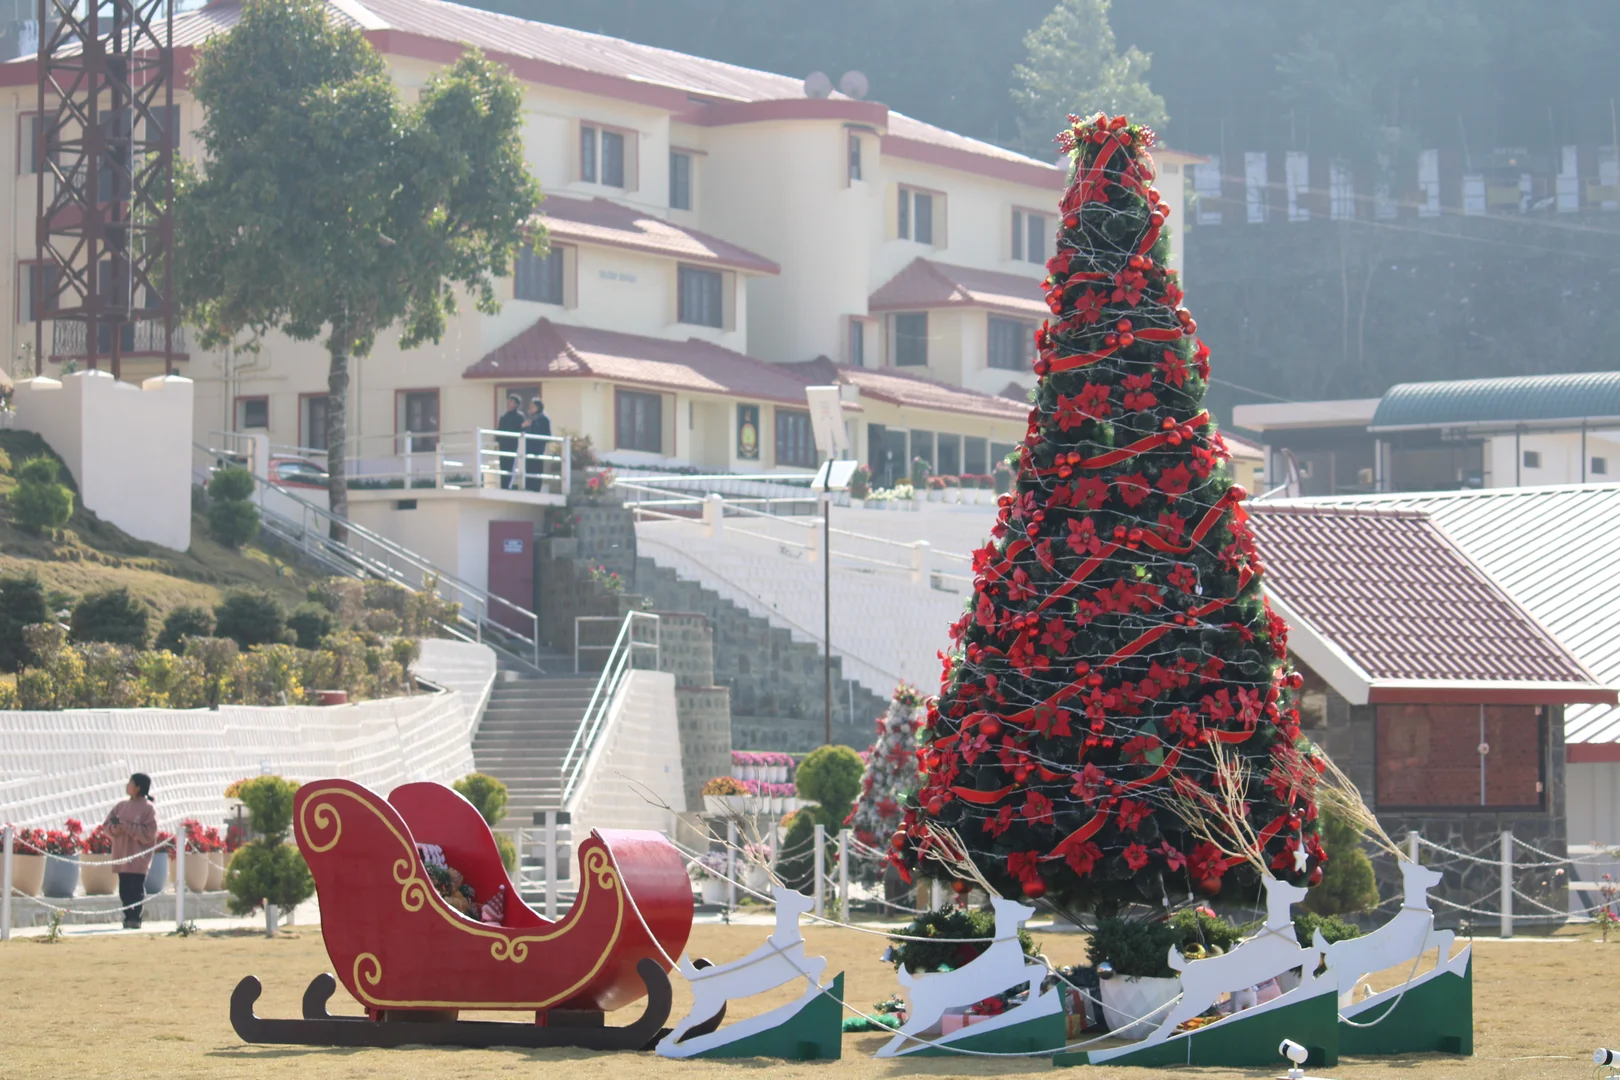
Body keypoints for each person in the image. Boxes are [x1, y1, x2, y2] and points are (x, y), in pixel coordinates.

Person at [105, 772, 158, 930]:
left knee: (136, 889)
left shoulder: (149, 809)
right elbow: (107, 825)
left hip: (138, 858)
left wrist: (128, 828)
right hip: (122, 855)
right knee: (124, 890)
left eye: (130, 783)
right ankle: (128, 916)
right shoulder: (121, 806)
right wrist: (115, 828)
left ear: (138, 787)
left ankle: (136, 917)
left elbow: (150, 834)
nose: (127, 785)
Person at [522, 397, 552, 493]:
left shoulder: (543, 418)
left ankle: (535, 488)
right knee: (528, 467)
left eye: (533, 406)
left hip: (537, 448)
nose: (531, 408)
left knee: (536, 467)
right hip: (528, 447)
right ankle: (528, 486)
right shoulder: (531, 418)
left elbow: (547, 434)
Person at [496, 393, 525, 489]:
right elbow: (499, 431)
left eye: (511, 401)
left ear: (516, 404)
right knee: (502, 466)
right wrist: (497, 441)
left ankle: (508, 486)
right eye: (509, 401)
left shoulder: (519, 417)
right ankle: (503, 486)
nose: (509, 403)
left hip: (513, 445)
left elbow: (521, 430)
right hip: (503, 445)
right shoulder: (504, 416)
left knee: (511, 466)